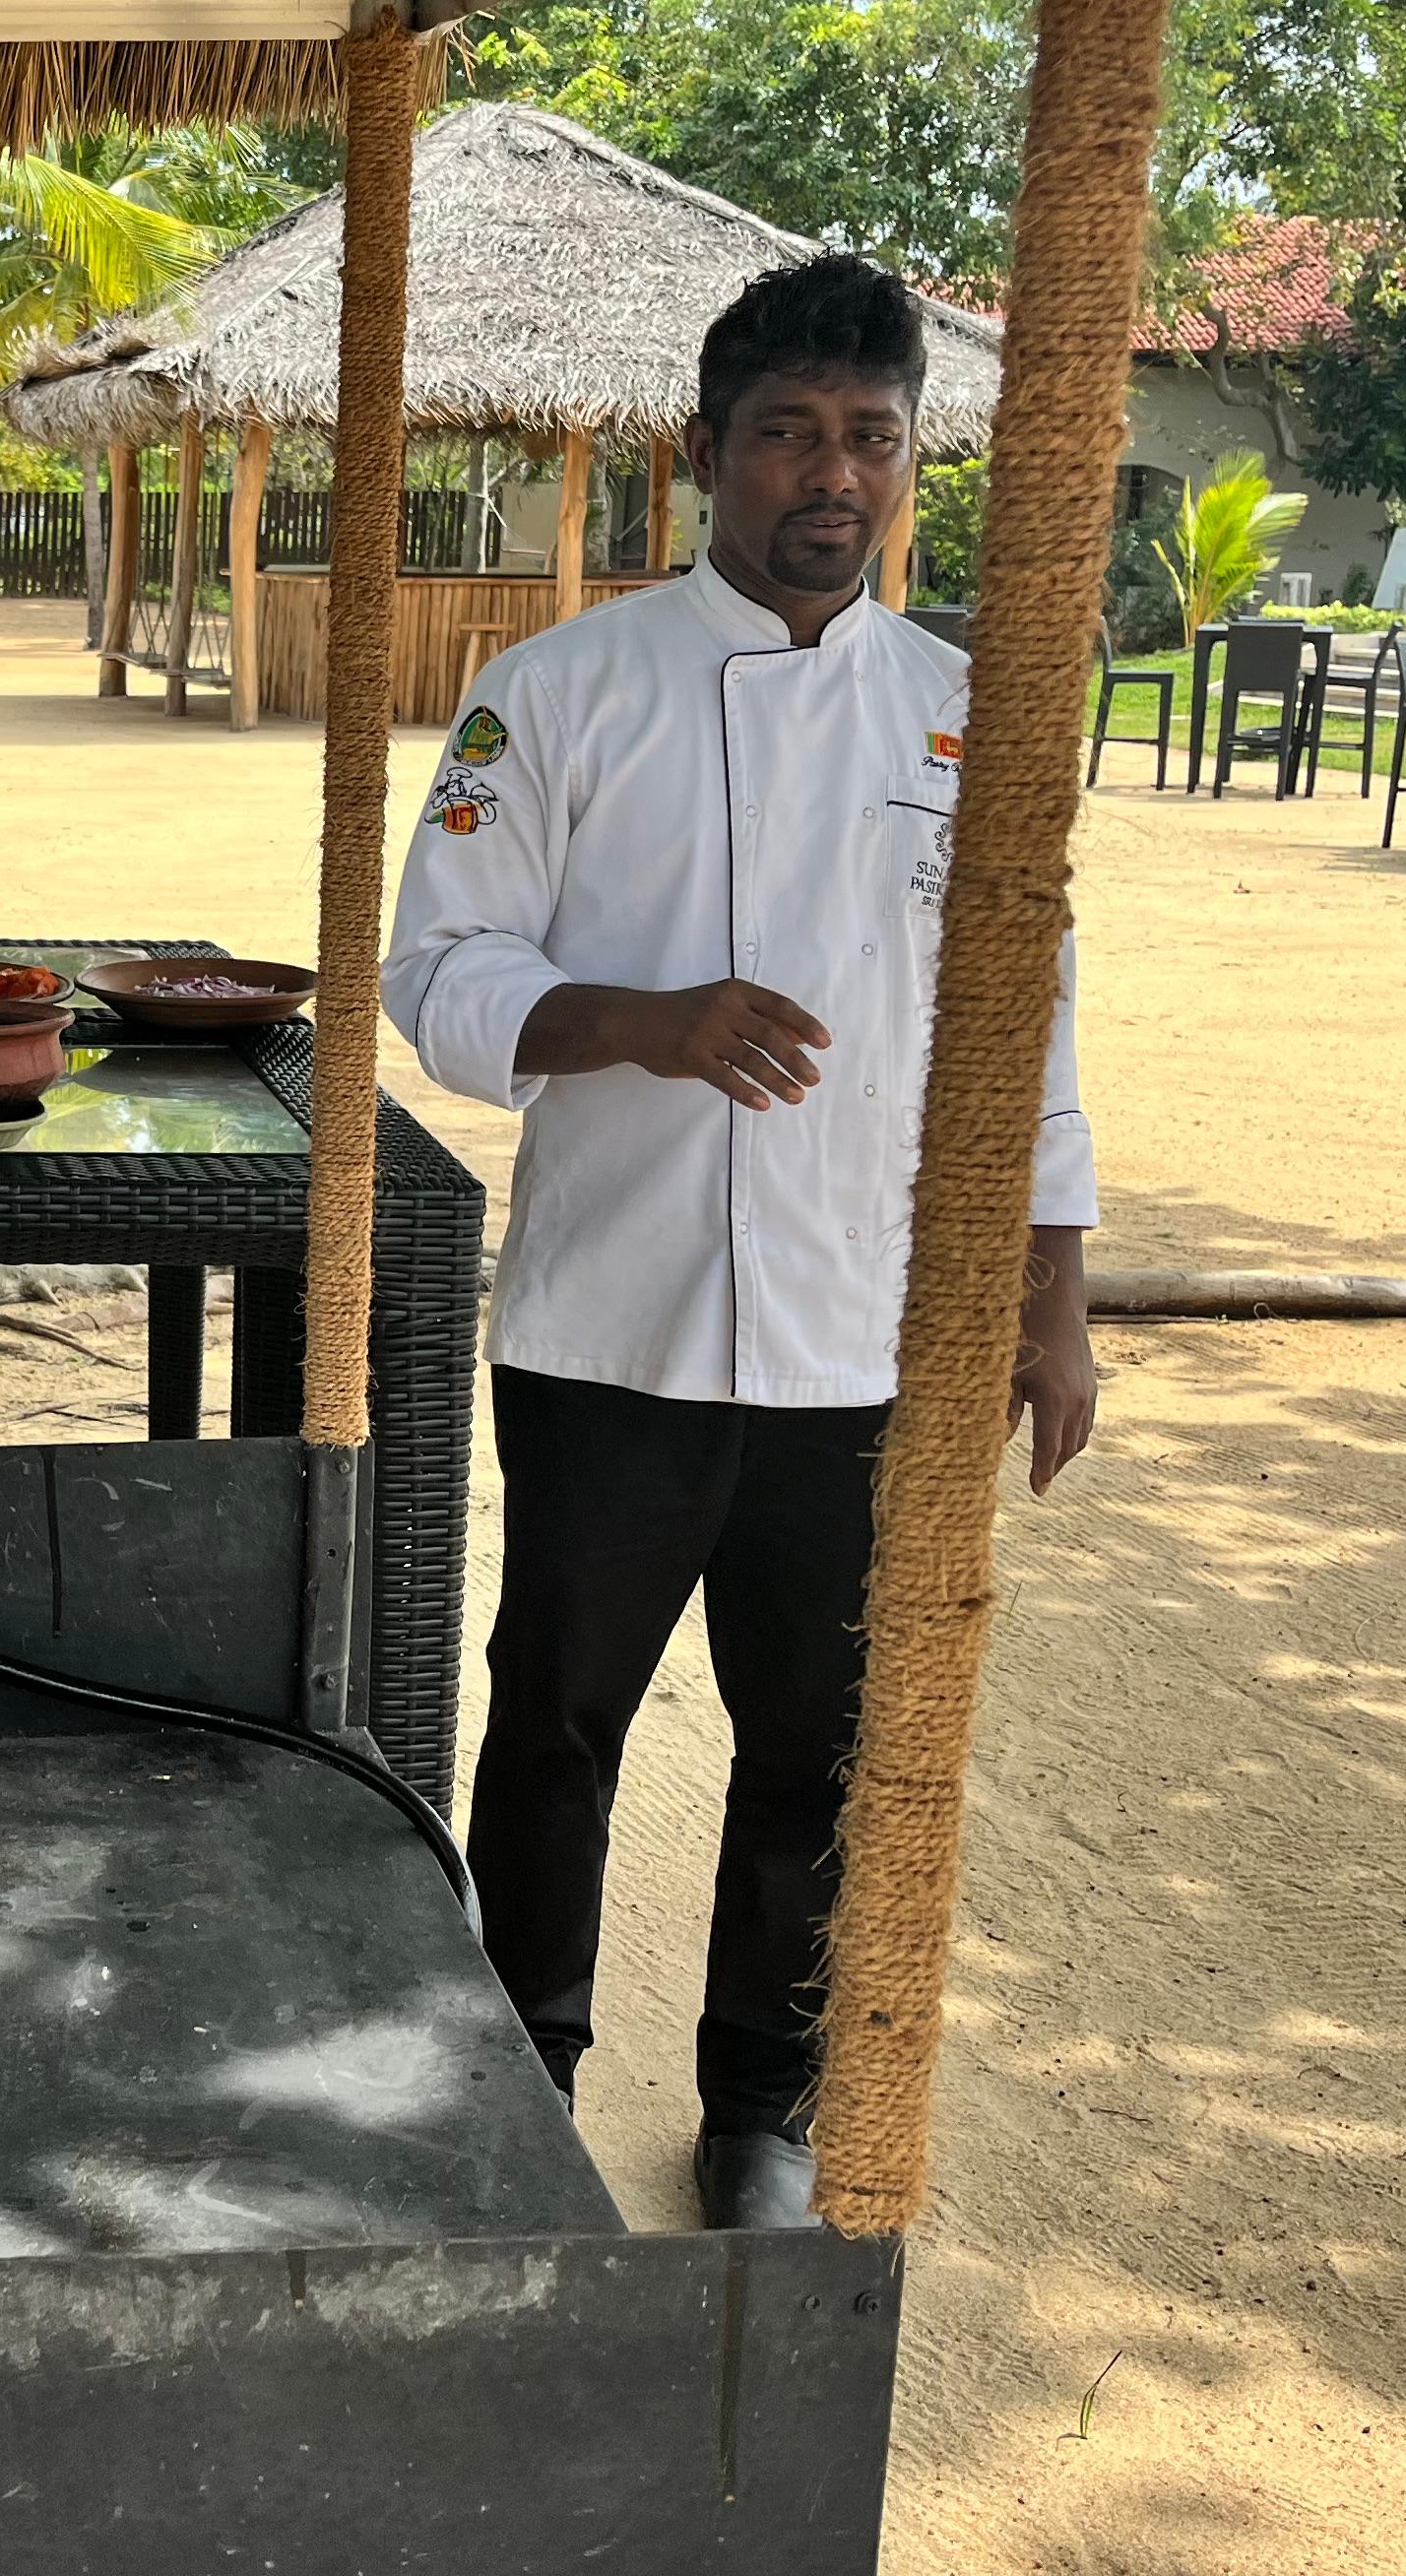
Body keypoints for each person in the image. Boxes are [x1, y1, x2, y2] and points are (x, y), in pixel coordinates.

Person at [381, 251, 1098, 2234]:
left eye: (870, 438)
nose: (831, 477)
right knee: (555, 1728)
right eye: (788, 433)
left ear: (907, 465)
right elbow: (433, 978)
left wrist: (1051, 1296)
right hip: (608, 1329)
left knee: (816, 1749)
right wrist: (643, 1022)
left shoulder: (964, 717)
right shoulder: (557, 696)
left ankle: (760, 2118)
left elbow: (1024, 1021)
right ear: (710, 455)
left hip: (859, 1340)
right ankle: (523, 2073)